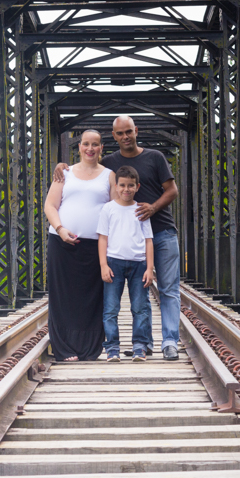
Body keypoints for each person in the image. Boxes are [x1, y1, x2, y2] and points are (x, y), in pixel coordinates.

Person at [55, 115, 180, 360]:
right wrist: (62, 166)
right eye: (120, 133)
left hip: (161, 231)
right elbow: (88, 167)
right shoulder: (111, 163)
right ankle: (140, 344)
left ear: (136, 131)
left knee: (167, 290)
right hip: (127, 240)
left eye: (129, 132)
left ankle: (169, 341)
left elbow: (172, 190)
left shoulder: (155, 157)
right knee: (134, 300)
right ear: (113, 137)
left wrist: (152, 208)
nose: (125, 137)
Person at [43, 130, 114, 361]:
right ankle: (63, 348)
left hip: (94, 247)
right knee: (62, 296)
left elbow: (115, 210)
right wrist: (61, 229)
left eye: (95, 144)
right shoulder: (65, 172)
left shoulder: (109, 175)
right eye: (86, 144)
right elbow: (50, 206)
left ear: (101, 148)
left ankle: (89, 348)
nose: (90, 149)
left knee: (92, 299)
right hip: (61, 242)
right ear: (80, 147)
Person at [97, 165, 155, 363]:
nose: (126, 189)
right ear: (116, 185)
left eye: (131, 185)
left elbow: (148, 240)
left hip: (139, 264)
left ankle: (139, 347)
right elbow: (103, 238)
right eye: (122, 185)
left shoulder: (140, 209)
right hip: (114, 263)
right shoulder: (108, 209)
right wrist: (103, 265)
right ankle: (112, 348)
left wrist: (149, 268)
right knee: (111, 308)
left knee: (140, 307)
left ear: (137, 186)